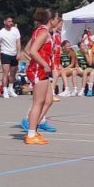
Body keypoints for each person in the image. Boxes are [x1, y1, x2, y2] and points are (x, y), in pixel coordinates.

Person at [21, 9, 55, 144]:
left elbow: (27, 49)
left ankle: (33, 130)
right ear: (51, 20)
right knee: (38, 102)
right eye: (57, 18)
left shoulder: (40, 31)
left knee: (48, 100)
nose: (59, 21)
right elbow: (33, 51)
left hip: (40, 69)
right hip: (39, 70)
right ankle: (31, 134)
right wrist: (43, 63)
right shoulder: (43, 32)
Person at [0, 16, 21, 98]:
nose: (11, 23)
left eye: (11, 21)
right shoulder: (1, 32)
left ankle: (10, 88)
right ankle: (5, 90)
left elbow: (18, 42)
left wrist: (18, 53)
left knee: (13, 73)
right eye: (9, 21)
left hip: (14, 54)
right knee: (5, 73)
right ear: (5, 22)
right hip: (5, 54)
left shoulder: (15, 30)